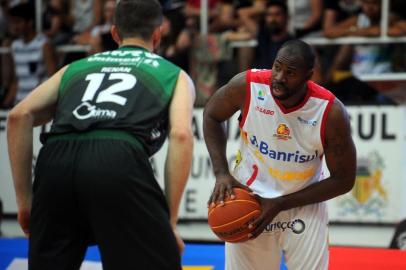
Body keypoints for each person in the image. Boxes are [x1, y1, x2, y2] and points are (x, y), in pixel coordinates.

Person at [7, 0, 195, 269]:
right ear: (158, 34)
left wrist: (25, 201)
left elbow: (18, 116)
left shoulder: (75, 67)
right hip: (117, 159)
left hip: (55, 161)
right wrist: (170, 223)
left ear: (115, 33)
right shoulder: (173, 74)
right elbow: (181, 136)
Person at [204, 40, 356, 270]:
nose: (279, 77)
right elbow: (212, 115)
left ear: (308, 76)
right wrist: (221, 173)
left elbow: (344, 180)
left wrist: (281, 203)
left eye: (291, 73)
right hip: (250, 199)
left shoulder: (330, 112)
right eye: (277, 67)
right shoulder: (248, 85)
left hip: (303, 203)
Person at [1, 3, 57, 107]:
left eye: (18, 22)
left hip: (38, 105)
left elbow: (53, 79)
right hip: (19, 104)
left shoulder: (44, 45)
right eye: (12, 23)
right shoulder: (15, 46)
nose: (14, 27)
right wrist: (5, 104)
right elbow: (16, 81)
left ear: (30, 23)